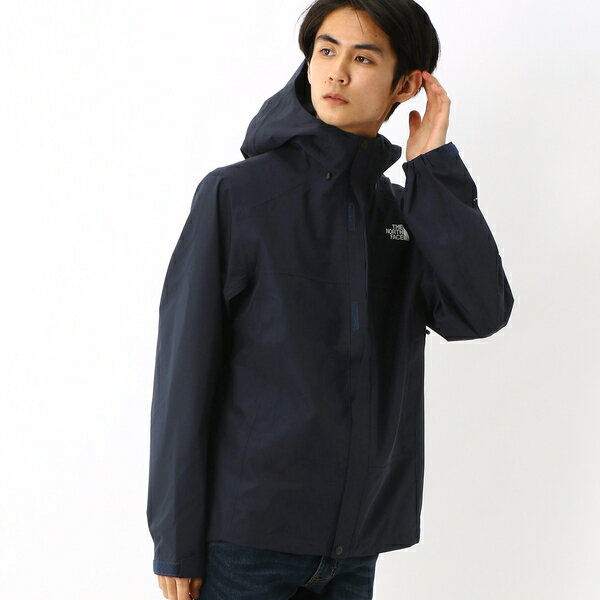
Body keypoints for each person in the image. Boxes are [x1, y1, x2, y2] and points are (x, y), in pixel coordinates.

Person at [146, 1, 515, 598]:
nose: (336, 72)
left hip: (355, 547)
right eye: (325, 50)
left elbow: (480, 312)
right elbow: (183, 378)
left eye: (363, 59)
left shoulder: (403, 212)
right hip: (246, 544)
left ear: (405, 85)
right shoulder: (237, 197)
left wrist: (433, 172)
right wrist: (175, 539)